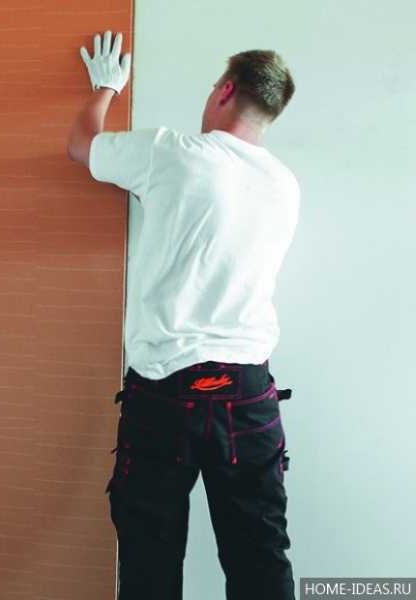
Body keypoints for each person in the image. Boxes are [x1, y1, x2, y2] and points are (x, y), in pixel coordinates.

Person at [68, 30, 300, 600]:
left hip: (166, 394)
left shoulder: (173, 153)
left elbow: (81, 145)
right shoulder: (284, 185)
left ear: (226, 91)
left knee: (149, 555)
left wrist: (105, 88)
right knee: (260, 555)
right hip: (248, 397)